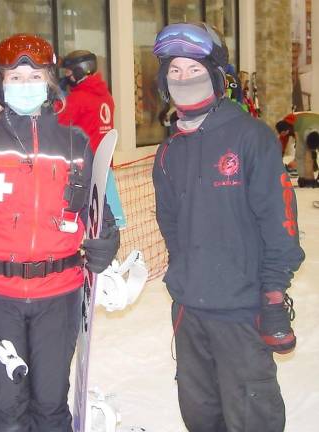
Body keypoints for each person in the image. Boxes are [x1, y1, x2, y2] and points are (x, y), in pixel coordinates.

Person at [0, 33, 120, 432]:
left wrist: (108, 239)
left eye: (34, 75)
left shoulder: (75, 143)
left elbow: (98, 214)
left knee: (51, 405)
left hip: (59, 296)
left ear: (50, 82)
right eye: (15, 77)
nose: (25, 85)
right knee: (7, 408)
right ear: (0, 84)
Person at [152, 22, 305, 432]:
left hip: (242, 310)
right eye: (175, 70)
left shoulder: (250, 138)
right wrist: (185, 277)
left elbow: (281, 224)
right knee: (201, 415)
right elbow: (170, 226)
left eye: (195, 69)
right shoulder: (168, 151)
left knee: (252, 417)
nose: (184, 78)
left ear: (218, 76)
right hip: (189, 311)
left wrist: (272, 295)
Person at [57, 50, 114, 154]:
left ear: (78, 72)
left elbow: (56, 126)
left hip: (85, 164)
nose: (66, 76)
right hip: (103, 164)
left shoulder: (77, 99)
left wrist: (56, 99)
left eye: (68, 72)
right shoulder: (107, 96)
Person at [276, 112, 319, 187]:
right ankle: (307, 179)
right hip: (308, 130)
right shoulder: (287, 126)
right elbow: (283, 143)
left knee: (305, 154)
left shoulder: (297, 128)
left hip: (310, 129)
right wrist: (279, 156)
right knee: (303, 154)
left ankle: (307, 178)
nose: (283, 135)